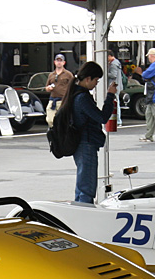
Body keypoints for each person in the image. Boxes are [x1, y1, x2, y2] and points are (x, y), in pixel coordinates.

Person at [55, 61, 116, 204]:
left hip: (80, 144)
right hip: (86, 143)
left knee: (82, 184)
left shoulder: (74, 93)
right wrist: (110, 96)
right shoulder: (82, 98)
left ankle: (79, 209)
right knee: (87, 186)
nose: (96, 84)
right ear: (88, 79)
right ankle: (84, 213)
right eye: (96, 80)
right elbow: (101, 117)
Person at [44, 54, 74, 127]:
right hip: (53, 100)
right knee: (50, 119)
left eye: (61, 61)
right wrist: (48, 88)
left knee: (63, 119)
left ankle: (62, 134)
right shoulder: (51, 75)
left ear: (64, 63)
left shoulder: (68, 74)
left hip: (63, 100)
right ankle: (54, 131)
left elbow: (73, 86)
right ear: (55, 62)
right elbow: (46, 87)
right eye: (58, 60)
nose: (59, 62)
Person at [107, 50, 124, 126]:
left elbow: (113, 75)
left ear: (109, 56)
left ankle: (118, 121)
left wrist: (105, 73)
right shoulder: (117, 62)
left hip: (114, 86)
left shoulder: (113, 64)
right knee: (116, 102)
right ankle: (117, 120)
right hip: (117, 85)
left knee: (115, 103)